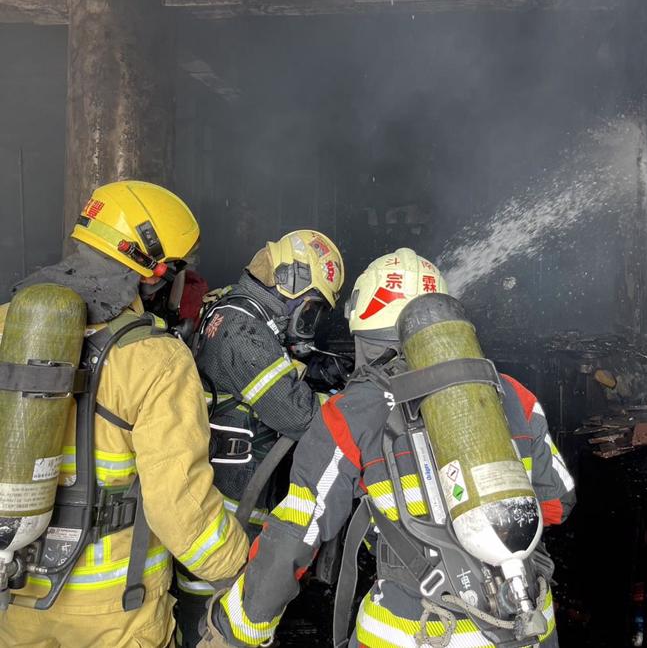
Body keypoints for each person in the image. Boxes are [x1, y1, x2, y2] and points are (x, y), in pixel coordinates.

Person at [199, 248, 576, 648]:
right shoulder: (515, 394)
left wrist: (236, 631)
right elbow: (556, 504)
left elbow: (296, 532)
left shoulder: (351, 412)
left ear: (363, 329)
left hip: (415, 633)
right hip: (529, 624)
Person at [0, 180, 248, 648]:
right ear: (154, 272)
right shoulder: (156, 358)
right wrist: (241, 569)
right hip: (118, 614)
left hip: (16, 603)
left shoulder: (6, 323)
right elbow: (180, 510)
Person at [174, 230, 345, 647]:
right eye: (312, 309)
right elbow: (300, 418)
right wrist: (347, 402)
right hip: (231, 507)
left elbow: (261, 381)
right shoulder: (242, 333)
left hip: (221, 495)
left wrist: (308, 369)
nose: (310, 321)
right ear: (289, 282)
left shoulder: (233, 307)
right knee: (217, 618)